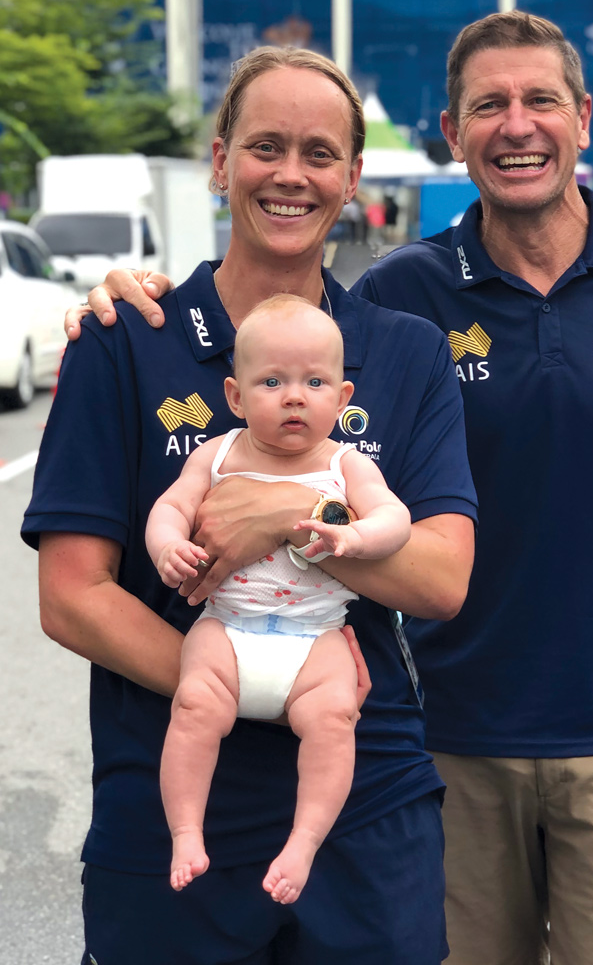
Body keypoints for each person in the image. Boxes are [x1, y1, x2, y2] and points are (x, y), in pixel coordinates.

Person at [68, 11, 593, 965]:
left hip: (580, 739)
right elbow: (75, 591)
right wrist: (243, 679)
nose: (517, 124)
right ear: (451, 132)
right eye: (488, 105)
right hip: (423, 744)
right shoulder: (388, 300)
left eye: (540, 100)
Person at [24, 45, 476, 965]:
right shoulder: (125, 341)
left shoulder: (405, 352)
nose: (291, 175)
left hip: (362, 804)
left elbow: (440, 579)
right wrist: (253, 688)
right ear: (222, 160)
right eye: (266, 146)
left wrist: (280, 517)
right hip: (172, 814)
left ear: (352, 177)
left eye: (320, 154)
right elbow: (72, 596)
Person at [147, 295, 412, 903]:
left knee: (335, 719)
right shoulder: (216, 455)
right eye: (272, 382)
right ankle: (186, 833)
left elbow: (394, 519)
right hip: (227, 627)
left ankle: (303, 843)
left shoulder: (347, 464)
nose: (294, 397)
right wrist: (167, 546)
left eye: (314, 382)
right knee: (193, 706)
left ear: (342, 399)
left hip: (316, 638)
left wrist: (355, 537)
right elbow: (171, 507)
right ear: (236, 397)